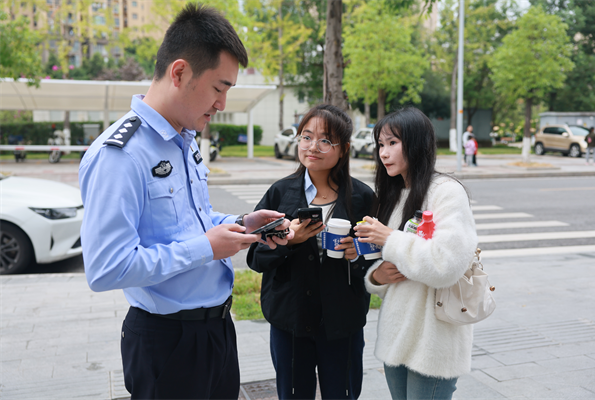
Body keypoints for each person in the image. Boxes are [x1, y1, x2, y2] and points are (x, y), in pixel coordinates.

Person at [78, 4, 292, 400]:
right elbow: (106, 269)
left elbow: (192, 220)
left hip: (217, 332)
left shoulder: (184, 140)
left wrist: (243, 223)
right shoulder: (120, 155)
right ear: (179, 73)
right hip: (167, 343)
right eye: (219, 88)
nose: (222, 104)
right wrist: (206, 249)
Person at [247, 104, 375, 400]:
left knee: (342, 394)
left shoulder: (362, 198)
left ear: (343, 149)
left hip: (342, 322)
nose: (312, 146)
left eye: (325, 140)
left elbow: (376, 261)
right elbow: (255, 256)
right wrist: (289, 242)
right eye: (306, 137)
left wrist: (354, 255)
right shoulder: (280, 194)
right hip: (290, 320)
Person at [354, 108, 477, 400]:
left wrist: (390, 238)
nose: (383, 153)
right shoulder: (395, 195)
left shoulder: (447, 192)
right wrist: (377, 276)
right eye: (380, 144)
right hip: (398, 336)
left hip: (434, 341)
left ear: (417, 143)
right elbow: (393, 266)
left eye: (392, 143)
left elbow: (447, 264)